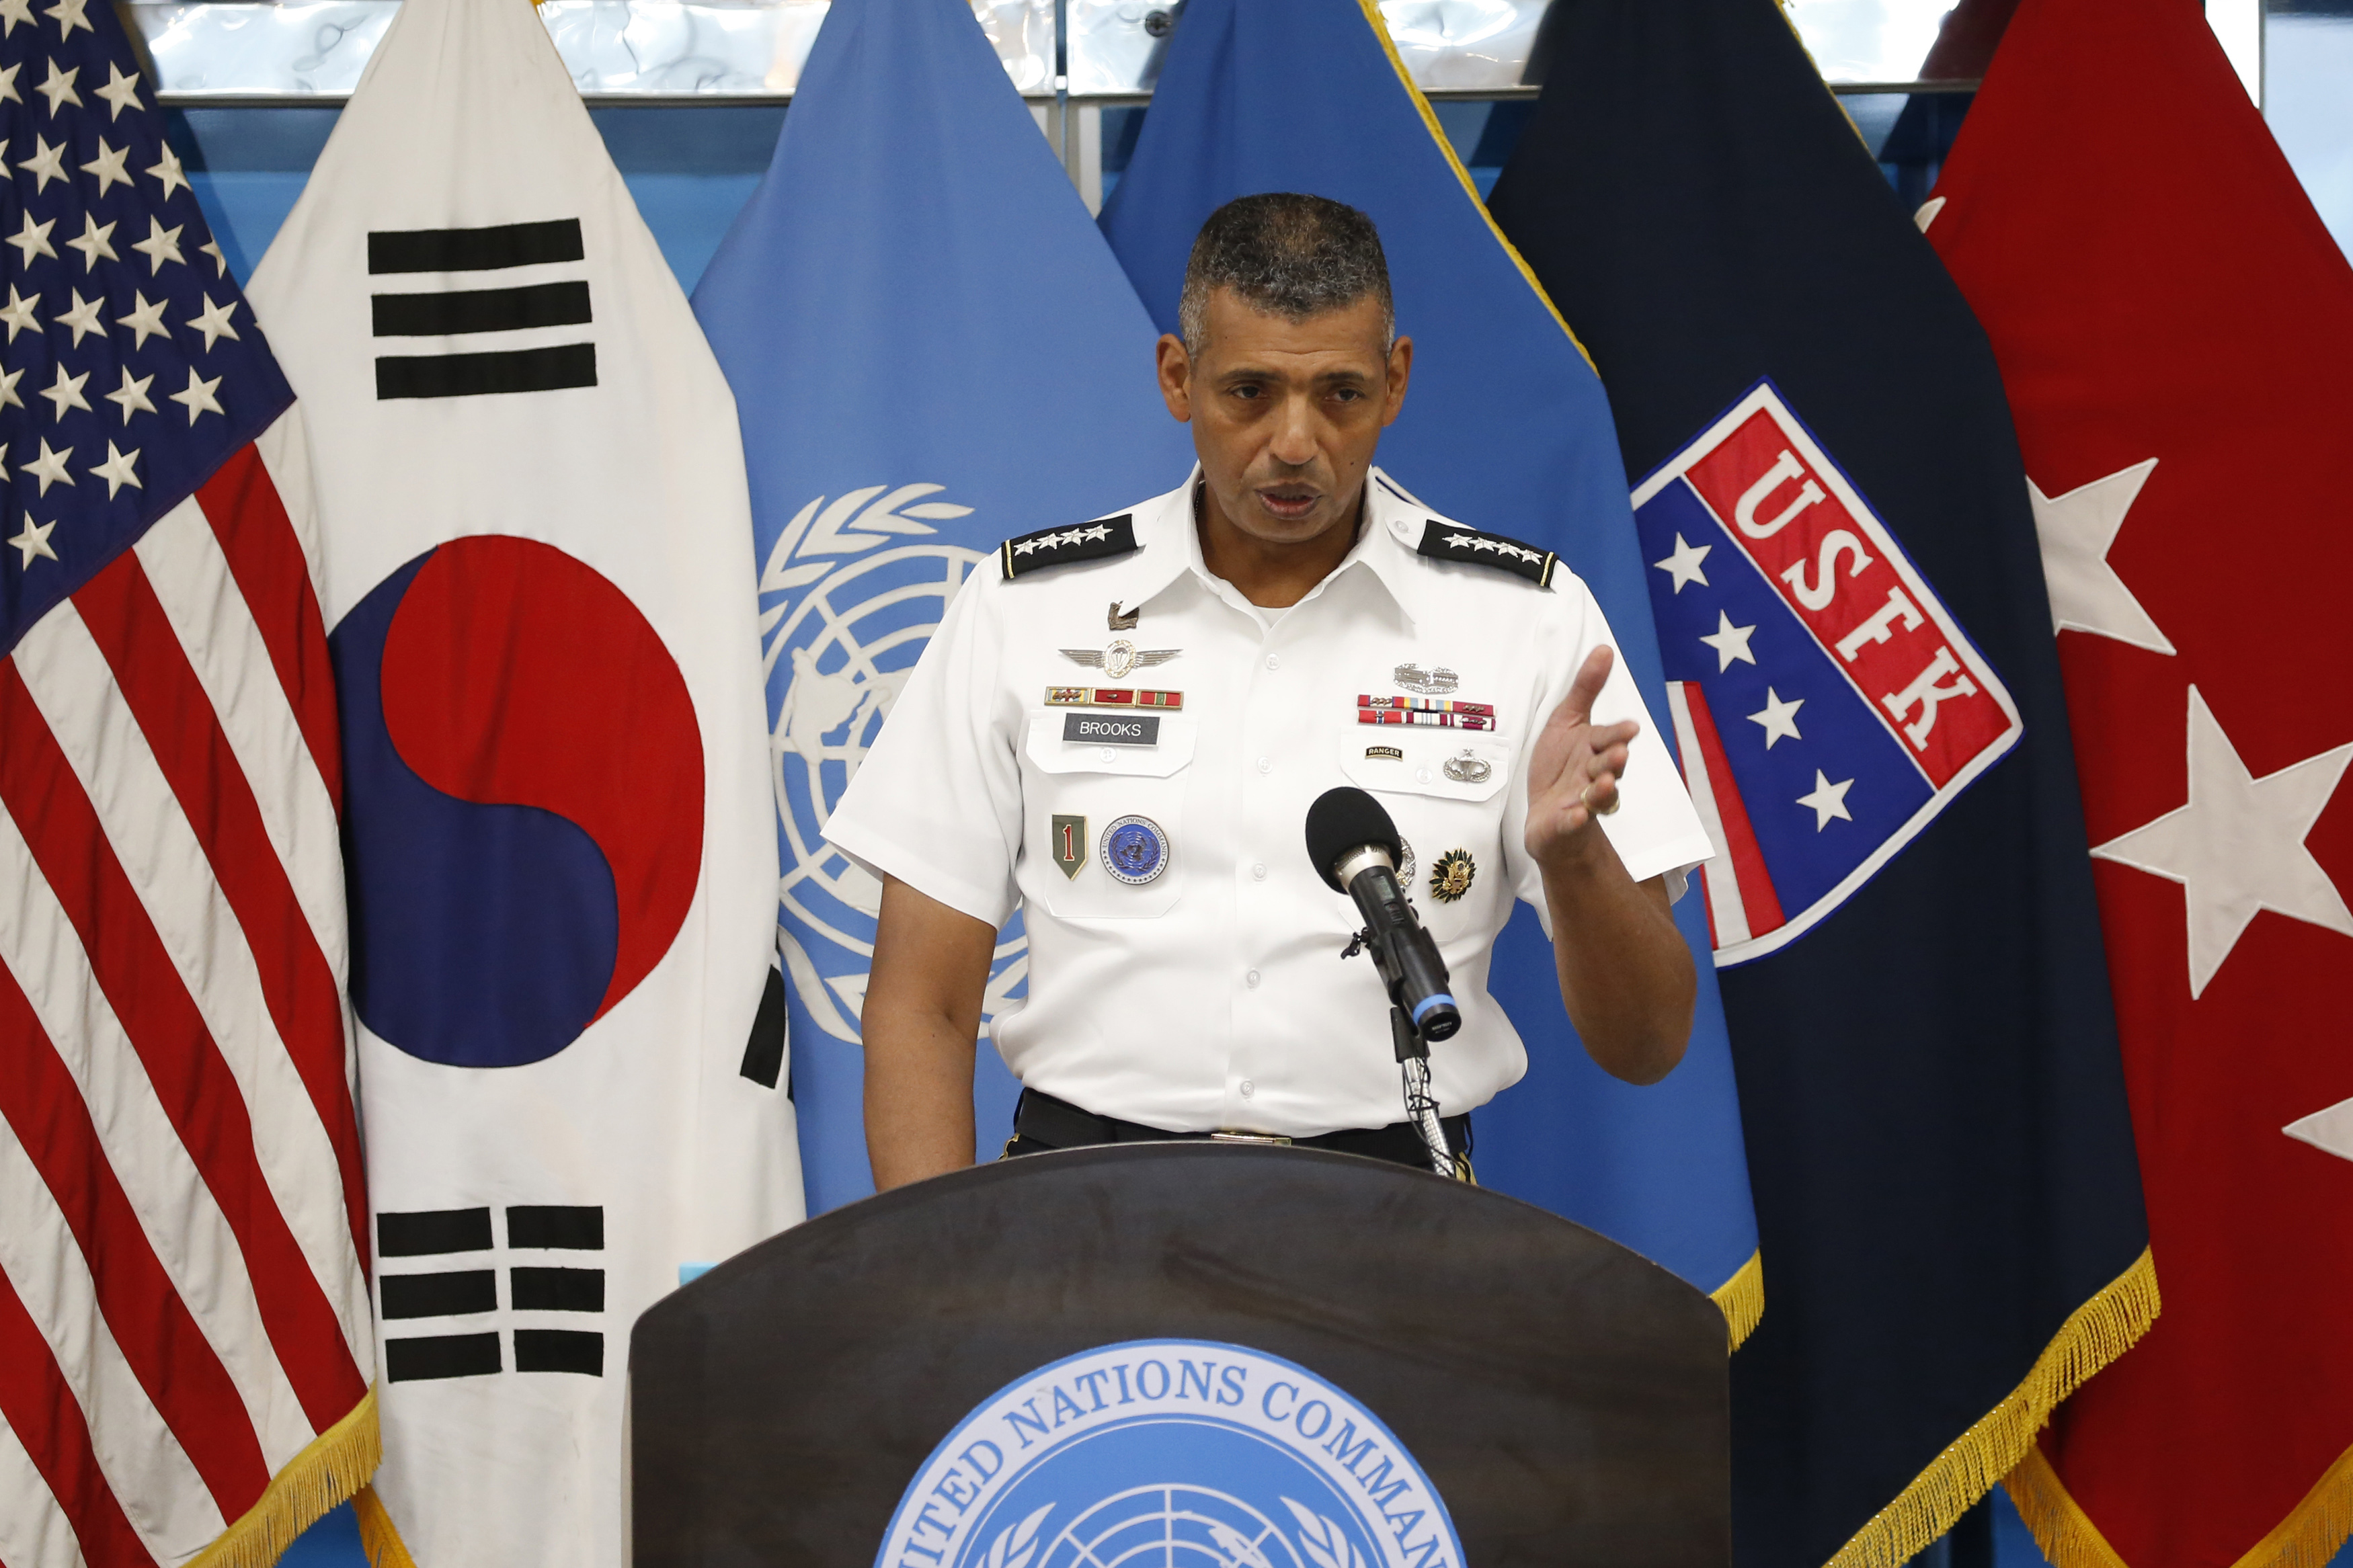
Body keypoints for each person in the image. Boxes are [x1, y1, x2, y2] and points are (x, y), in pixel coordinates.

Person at [823, 193, 1712, 1190]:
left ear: (1396, 383)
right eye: (1250, 391)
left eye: (1338, 393)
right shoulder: (1026, 610)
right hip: (1082, 1203)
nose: (1295, 442)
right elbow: (922, 1003)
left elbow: (1649, 1044)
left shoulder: (1528, 624)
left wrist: (1579, 857)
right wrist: (941, 1295)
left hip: (1396, 1220)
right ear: (1177, 377)